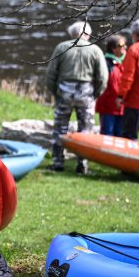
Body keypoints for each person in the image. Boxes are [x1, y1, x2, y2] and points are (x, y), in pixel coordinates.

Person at [45, 20, 108, 173]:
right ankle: (82, 165)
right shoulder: (95, 50)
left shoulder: (62, 47)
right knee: (85, 131)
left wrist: (55, 92)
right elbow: (103, 76)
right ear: (87, 34)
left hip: (64, 91)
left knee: (60, 128)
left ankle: (58, 162)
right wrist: (96, 93)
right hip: (86, 92)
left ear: (72, 33)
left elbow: (50, 74)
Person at [95, 34, 127, 137]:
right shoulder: (105, 63)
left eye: (125, 44)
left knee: (120, 135)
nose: (125, 47)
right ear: (113, 48)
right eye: (121, 45)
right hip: (108, 107)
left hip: (121, 108)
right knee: (107, 135)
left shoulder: (124, 62)